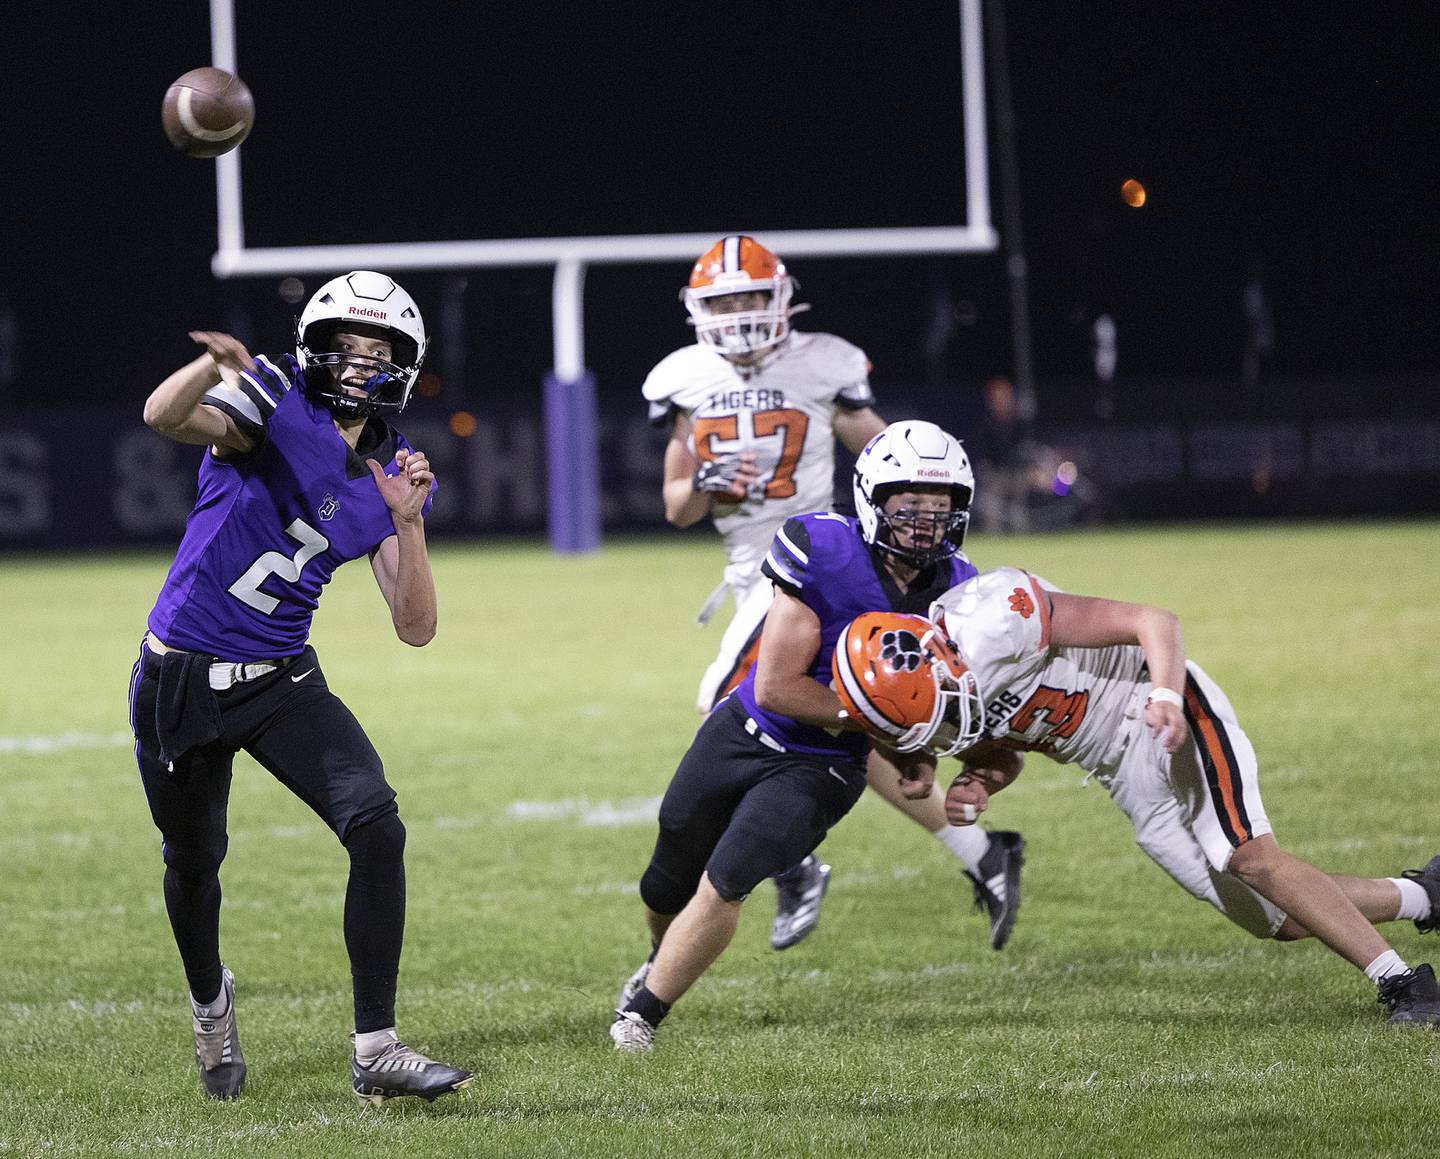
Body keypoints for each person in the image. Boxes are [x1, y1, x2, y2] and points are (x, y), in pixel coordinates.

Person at [128, 271, 474, 1102]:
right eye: (346, 346)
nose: (358, 364)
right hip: (182, 674)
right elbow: (165, 417)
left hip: (282, 676)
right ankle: (211, 1001)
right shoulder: (275, 398)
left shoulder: (392, 462)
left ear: (403, 363)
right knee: (194, 861)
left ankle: (376, 1048)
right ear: (316, 347)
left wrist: (409, 522)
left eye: (377, 351)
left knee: (377, 824)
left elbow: (416, 623)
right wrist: (211, 370)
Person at [642, 235, 1024, 952]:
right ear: (700, 310)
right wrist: (702, 482)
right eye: (725, 301)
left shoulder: (822, 362)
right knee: (855, 721)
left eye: (753, 296)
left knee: (732, 704)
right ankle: (980, 852)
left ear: (782, 299)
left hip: (814, 559)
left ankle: (793, 864)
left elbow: (891, 457)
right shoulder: (685, 378)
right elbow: (676, 505)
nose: (741, 312)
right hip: (748, 572)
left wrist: (924, 529)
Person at [858, 568, 1440, 1026]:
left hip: (1162, 709)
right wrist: (977, 781)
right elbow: (1006, 749)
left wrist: (1165, 692)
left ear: (935, 661)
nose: (941, 729)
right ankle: (1425, 896)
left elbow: (1152, 620)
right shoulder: (930, 703)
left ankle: (1402, 982)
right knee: (1279, 921)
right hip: (1119, 772)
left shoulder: (992, 619)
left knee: (1248, 855)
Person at [613, 421, 997, 1051]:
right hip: (746, 730)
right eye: (909, 506)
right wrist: (880, 724)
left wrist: (919, 749)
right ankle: (661, 955)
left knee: (729, 877)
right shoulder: (822, 547)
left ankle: (642, 1016)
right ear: (875, 499)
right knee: (665, 878)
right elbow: (777, 689)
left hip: (827, 765)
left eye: (940, 507)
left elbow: (931, 695)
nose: (925, 522)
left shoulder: (959, 590)